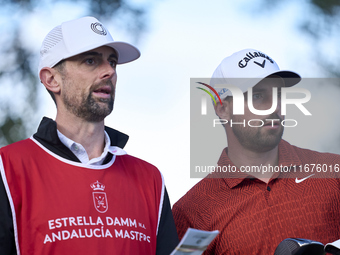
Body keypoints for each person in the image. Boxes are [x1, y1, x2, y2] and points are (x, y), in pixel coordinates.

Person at [0, 16, 178, 255]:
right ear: (52, 79)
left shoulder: (150, 179)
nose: (109, 72)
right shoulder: (7, 167)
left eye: (112, 62)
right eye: (91, 61)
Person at [172, 48, 340, 254]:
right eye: (258, 96)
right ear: (222, 108)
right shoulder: (193, 211)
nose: (274, 106)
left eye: (278, 94)